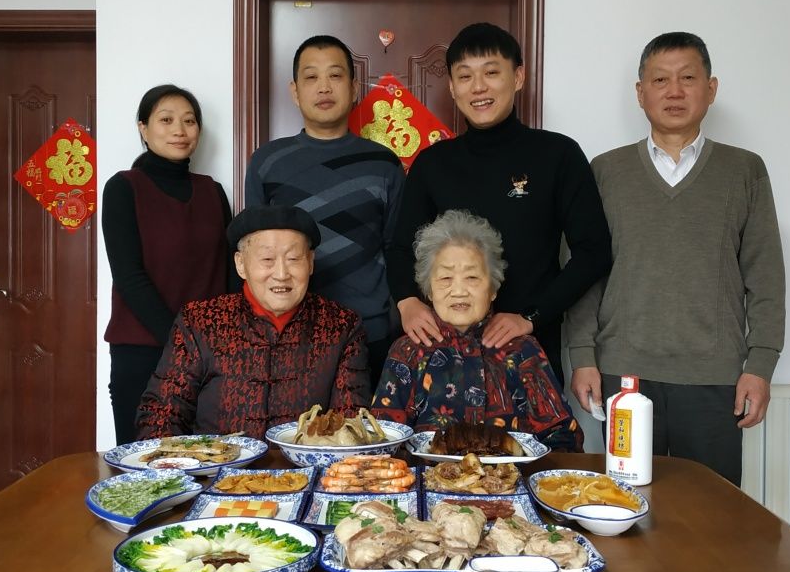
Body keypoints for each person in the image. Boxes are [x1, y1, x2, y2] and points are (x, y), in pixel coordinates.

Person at [566, 32, 786, 486]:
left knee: (710, 513)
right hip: (623, 376)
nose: (674, 91)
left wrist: (761, 365)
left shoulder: (743, 170)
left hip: (713, 377)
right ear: (640, 92)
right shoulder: (606, 171)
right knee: (625, 507)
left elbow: (765, 275)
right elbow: (585, 272)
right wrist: (583, 355)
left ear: (711, 88)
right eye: (660, 80)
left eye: (688, 78)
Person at [385, 23, 611, 384]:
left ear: (518, 77)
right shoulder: (432, 164)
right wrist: (407, 302)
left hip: (531, 354)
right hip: (445, 357)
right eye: (465, 76)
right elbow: (400, 248)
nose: (478, 87)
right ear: (452, 87)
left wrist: (531, 316)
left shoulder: (558, 155)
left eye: (491, 73)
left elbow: (594, 251)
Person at [135, 204, 371, 440]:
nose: (281, 274)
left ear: (310, 262)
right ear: (240, 264)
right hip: (215, 463)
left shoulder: (341, 326)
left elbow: (350, 426)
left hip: (308, 464)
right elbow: (160, 415)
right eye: (267, 259)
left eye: (293, 259)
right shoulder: (200, 322)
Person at [245, 35, 404, 383]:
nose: (324, 87)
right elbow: (252, 253)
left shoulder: (384, 163)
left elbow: (397, 248)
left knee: (369, 420)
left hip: (370, 333)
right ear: (294, 91)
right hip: (289, 333)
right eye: (311, 77)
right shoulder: (267, 162)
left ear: (354, 87)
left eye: (335, 75)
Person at [372, 210, 583, 451]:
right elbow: (382, 437)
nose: (459, 291)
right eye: (445, 278)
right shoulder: (408, 351)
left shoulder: (522, 349)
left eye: (472, 277)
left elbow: (562, 435)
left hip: (512, 475)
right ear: (428, 290)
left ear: (493, 289)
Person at [102, 84, 231, 445]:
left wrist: (225, 343)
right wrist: (182, 342)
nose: (179, 130)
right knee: (141, 464)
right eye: (166, 120)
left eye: (189, 121)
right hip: (143, 352)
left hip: (210, 355)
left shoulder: (213, 191)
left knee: (209, 461)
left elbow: (230, 273)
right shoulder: (123, 188)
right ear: (143, 128)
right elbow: (129, 277)